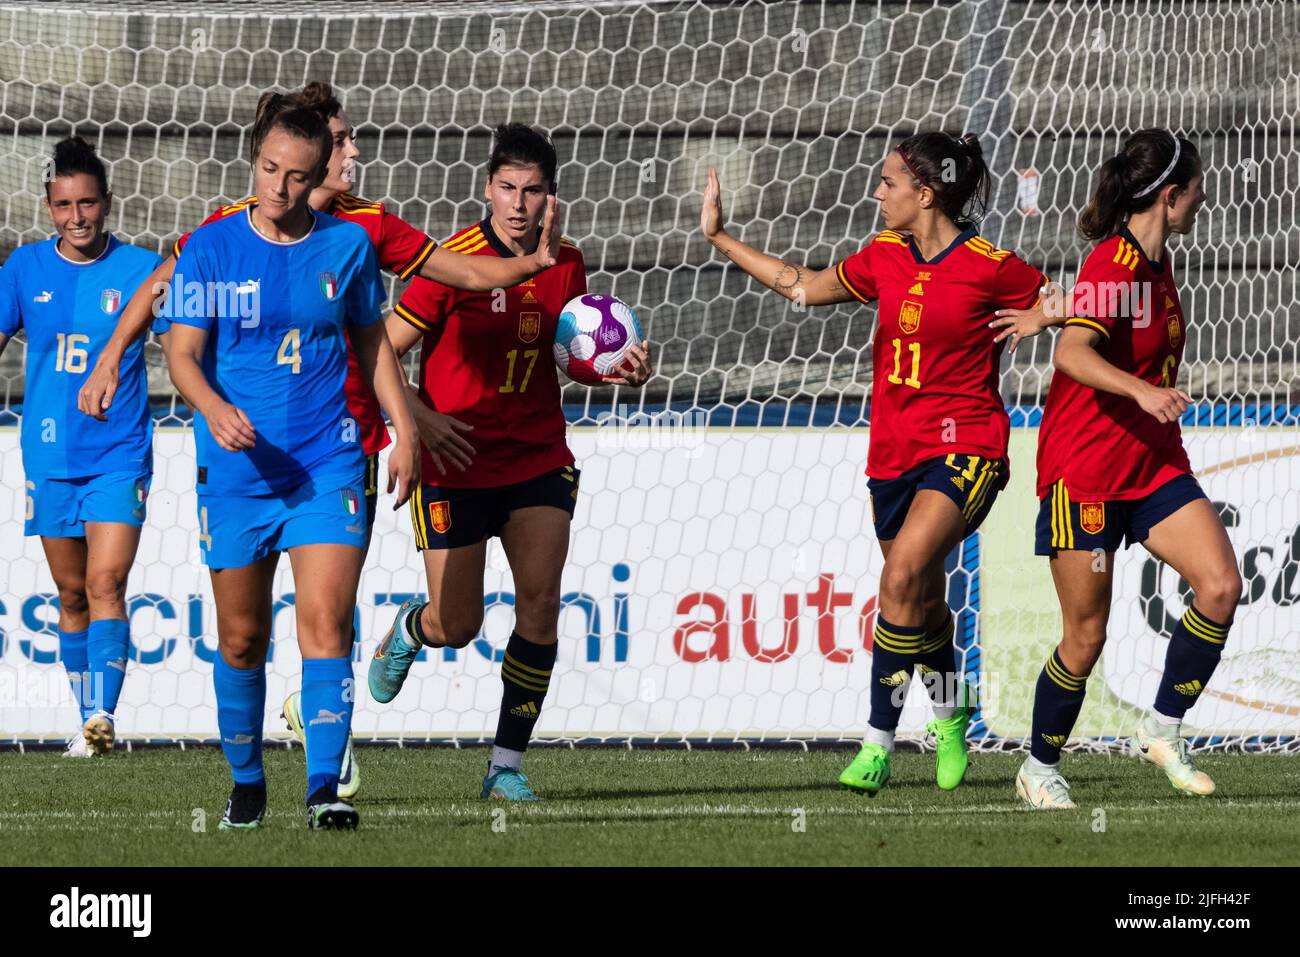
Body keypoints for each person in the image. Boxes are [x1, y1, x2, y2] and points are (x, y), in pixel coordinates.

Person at [79, 81, 561, 798]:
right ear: (282, 154)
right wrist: (112, 355)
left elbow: (440, 280)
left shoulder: (365, 231)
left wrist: (523, 270)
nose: (351, 151)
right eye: (339, 141)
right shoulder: (222, 235)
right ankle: (287, 753)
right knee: (253, 634)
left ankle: (324, 768)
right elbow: (163, 288)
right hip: (249, 462)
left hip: (344, 446)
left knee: (328, 615)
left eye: (335, 146)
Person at [700, 133, 1050, 794]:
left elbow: (1064, 296)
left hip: (967, 446)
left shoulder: (988, 264)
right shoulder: (887, 254)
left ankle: (876, 745)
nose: (877, 192)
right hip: (893, 453)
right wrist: (721, 237)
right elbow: (801, 286)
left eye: (888, 182)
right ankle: (952, 712)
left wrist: (1042, 316)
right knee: (920, 600)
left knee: (900, 575)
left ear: (925, 193)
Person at [366, 123, 651, 800]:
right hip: (456, 463)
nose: (518, 204)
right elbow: (376, 352)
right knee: (457, 624)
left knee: (541, 601)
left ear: (551, 197)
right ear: (487, 187)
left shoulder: (568, 264)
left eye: (532, 191)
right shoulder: (451, 263)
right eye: (507, 188)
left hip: (537, 457)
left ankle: (505, 763)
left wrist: (615, 370)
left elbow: (566, 357)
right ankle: (413, 627)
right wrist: (419, 417)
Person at [160, 104, 419, 829]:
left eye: (296, 176)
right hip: (238, 472)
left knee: (327, 621)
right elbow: (181, 354)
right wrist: (212, 407)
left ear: (317, 178)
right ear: (255, 161)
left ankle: (323, 790)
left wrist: (405, 429)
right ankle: (247, 780)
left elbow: (371, 345)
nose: (278, 186)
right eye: (269, 169)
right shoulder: (210, 250)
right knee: (242, 637)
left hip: (327, 462)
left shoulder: (345, 247)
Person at [1015, 129, 1241, 809]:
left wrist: (1056, 312)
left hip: (1150, 463)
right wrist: (1142, 389)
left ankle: (1163, 727)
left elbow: (1090, 321)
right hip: (1085, 471)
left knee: (1221, 585)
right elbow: (1073, 354)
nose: (1203, 199)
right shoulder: (1114, 262)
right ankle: (1037, 765)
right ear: (1171, 196)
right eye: (1196, 189)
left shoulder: (1155, 263)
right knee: (1085, 637)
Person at [0, 137, 162, 756]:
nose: (77, 218)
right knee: (70, 594)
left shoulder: (141, 270)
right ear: (48, 207)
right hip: (48, 454)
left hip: (119, 452)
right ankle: (86, 723)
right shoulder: (24, 269)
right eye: (64, 205)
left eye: (88, 203)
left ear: (108, 203)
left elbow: (185, 343)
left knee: (105, 582)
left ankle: (104, 713)